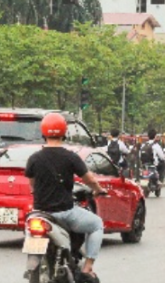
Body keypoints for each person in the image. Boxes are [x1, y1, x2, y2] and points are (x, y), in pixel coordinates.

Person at [25, 113, 107, 283]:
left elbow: (32, 183)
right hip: (65, 213)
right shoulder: (70, 157)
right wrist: (98, 189)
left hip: (39, 213)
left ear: (43, 133)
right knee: (97, 224)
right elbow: (89, 179)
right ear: (64, 133)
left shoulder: (34, 158)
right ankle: (87, 268)